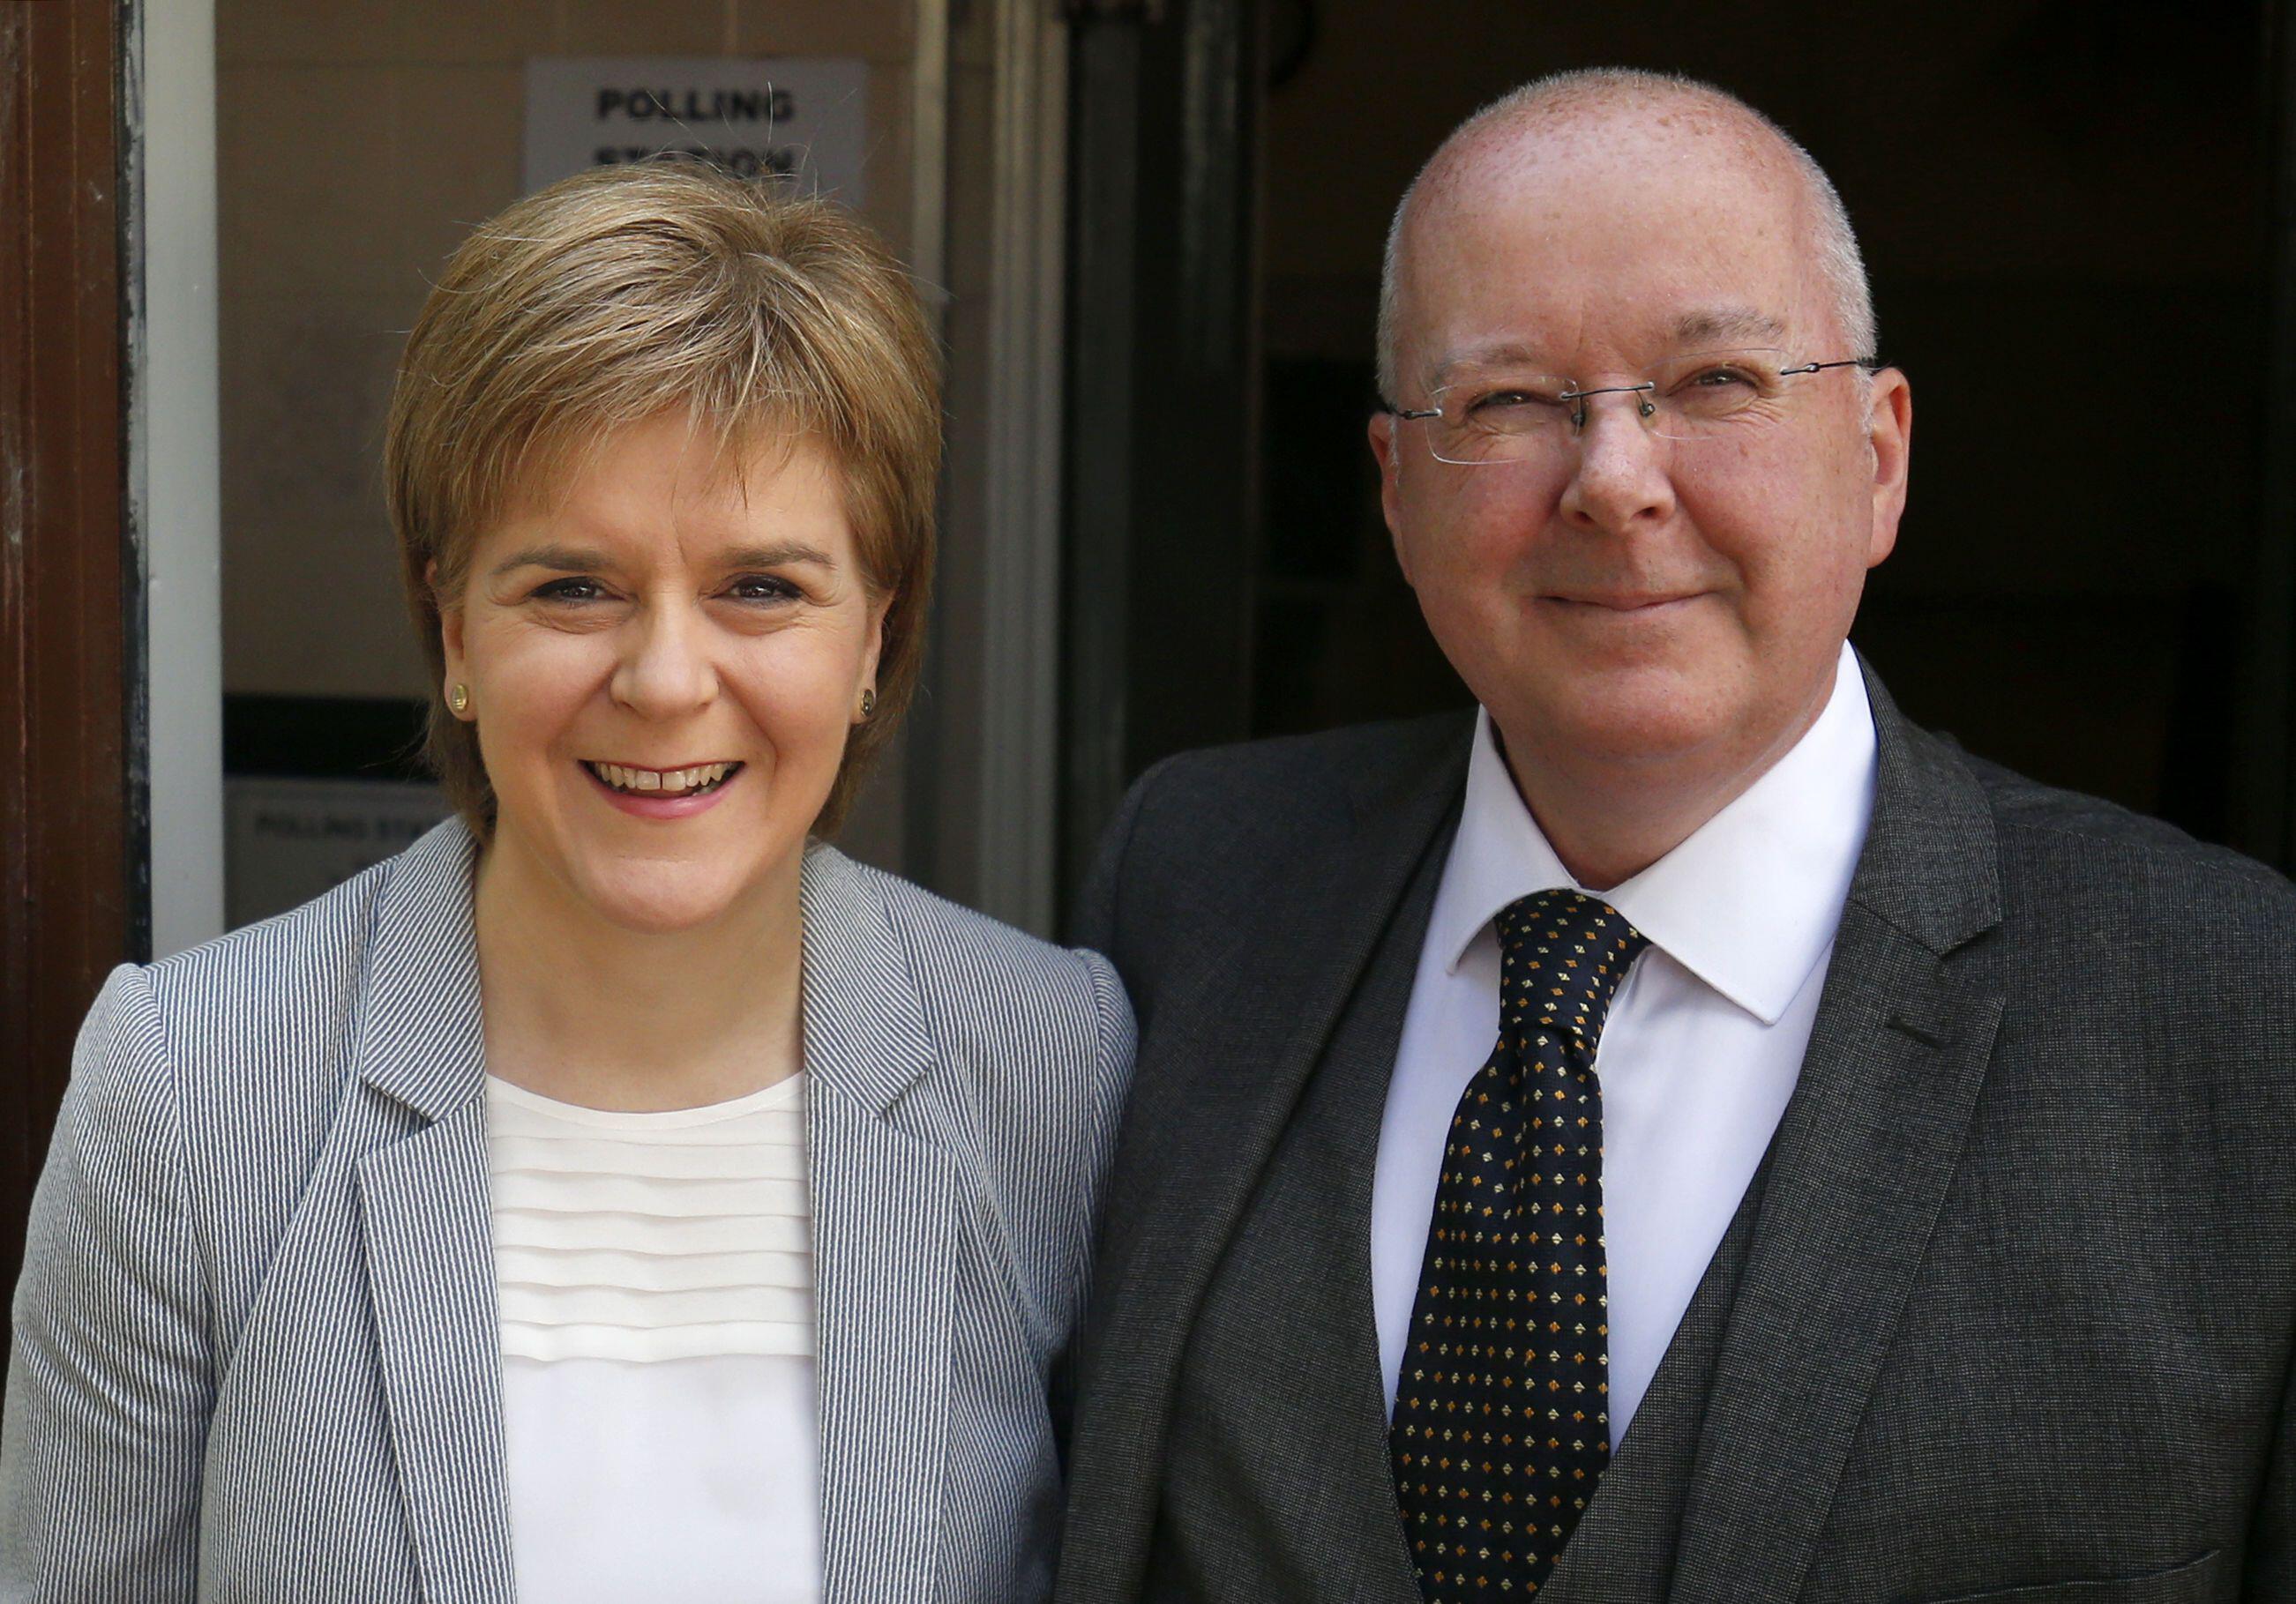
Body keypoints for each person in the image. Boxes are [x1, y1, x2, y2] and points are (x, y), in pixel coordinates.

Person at [1056, 68, 2296, 1604]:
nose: (1615, 482)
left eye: (1715, 382)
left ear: (1880, 456)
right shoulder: (1195, 882)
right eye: (1507, 401)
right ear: (1394, 487)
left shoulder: (2237, 1014)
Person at [1, 160, 1132, 1603]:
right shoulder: (188, 1093)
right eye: (573, 587)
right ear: (453, 632)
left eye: (762, 588)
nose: (665, 680)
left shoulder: (1053, 1068)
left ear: (872, 640)